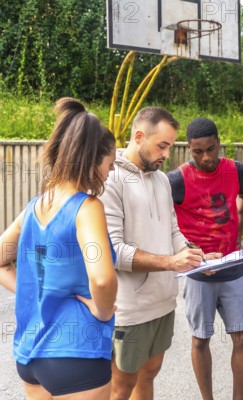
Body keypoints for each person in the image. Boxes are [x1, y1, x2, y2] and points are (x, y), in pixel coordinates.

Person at [0, 97, 118, 399]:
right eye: (109, 163)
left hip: (30, 356)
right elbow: (102, 278)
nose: (110, 171)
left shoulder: (34, 207)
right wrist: (102, 311)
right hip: (77, 353)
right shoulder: (86, 208)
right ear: (92, 160)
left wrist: (35, 289)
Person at [100, 107, 209, 400]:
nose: (166, 154)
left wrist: (194, 257)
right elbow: (113, 251)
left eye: (170, 147)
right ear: (139, 136)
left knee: (149, 375)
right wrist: (171, 262)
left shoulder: (161, 180)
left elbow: (173, 232)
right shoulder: (111, 179)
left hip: (163, 301)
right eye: (162, 145)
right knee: (121, 386)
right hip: (129, 308)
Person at [167, 117, 243, 400]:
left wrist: (239, 231)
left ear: (219, 144)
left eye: (211, 149)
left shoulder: (236, 170)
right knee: (200, 339)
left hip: (233, 268)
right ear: (188, 149)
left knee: (242, 337)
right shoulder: (176, 180)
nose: (206, 157)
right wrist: (188, 252)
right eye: (197, 151)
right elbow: (165, 221)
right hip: (197, 274)